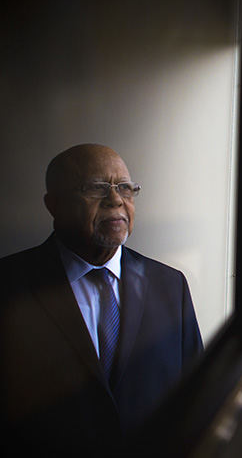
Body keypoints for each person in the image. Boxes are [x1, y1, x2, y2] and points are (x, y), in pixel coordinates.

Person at [0, 144, 203, 457]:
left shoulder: (170, 285)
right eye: (96, 188)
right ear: (53, 204)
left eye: (125, 188)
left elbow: (196, 402)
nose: (116, 200)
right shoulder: (10, 284)